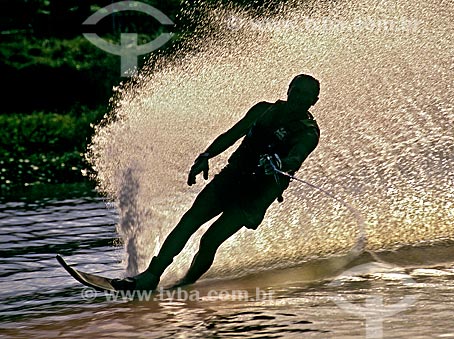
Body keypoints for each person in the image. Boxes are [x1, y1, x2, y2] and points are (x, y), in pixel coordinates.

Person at [111, 74, 321, 291]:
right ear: (288, 90)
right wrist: (206, 155)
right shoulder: (263, 110)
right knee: (190, 221)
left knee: (210, 240)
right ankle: (151, 276)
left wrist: (280, 162)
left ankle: (184, 284)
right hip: (231, 177)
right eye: (296, 91)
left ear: (314, 101)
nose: (298, 98)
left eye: (305, 95)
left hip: (257, 194)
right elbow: (232, 135)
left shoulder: (308, 132)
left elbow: (297, 156)